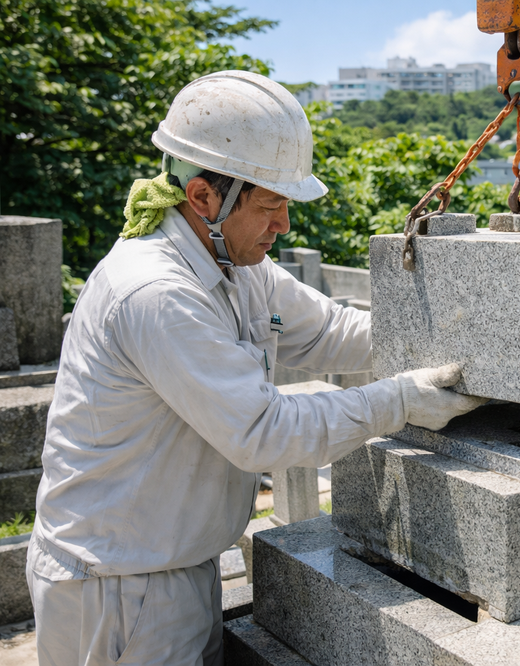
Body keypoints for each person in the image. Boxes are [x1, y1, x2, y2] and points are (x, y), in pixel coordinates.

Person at [27, 70, 485, 666]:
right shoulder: (156, 292)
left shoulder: (235, 264)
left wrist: (454, 344)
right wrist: (399, 400)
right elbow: (262, 431)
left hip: (169, 563)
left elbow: (328, 331)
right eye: (270, 205)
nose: (284, 225)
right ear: (203, 198)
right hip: (115, 584)